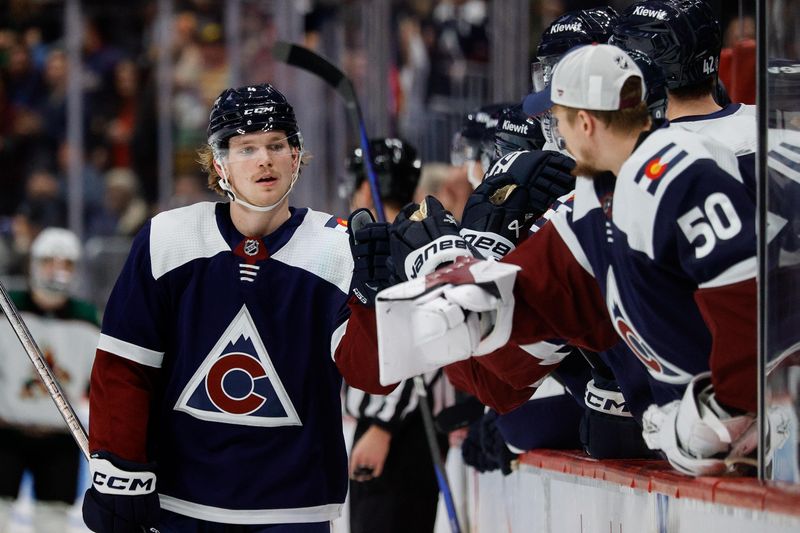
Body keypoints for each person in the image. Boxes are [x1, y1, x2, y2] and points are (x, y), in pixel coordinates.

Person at [376, 44, 761, 477]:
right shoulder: (595, 199)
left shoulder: (680, 169)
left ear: (585, 122)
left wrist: (731, 403)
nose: (552, 132)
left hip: (761, 433)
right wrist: (447, 269)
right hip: (716, 441)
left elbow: (747, 291)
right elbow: (531, 295)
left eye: (556, 119)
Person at [81, 82, 393, 533]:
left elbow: (371, 376)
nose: (264, 159)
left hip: (293, 509)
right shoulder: (169, 238)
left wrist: (374, 300)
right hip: (179, 503)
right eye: (246, 148)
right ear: (219, 164)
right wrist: (120, 470)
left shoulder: (340, 249)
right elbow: (126, 366)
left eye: (276, 144)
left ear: (296, 156)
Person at [343, 137, 451, 533]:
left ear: (366, 187)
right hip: (397, 428)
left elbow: (420, 342)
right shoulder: (415, 238)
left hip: (397, 432)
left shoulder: (394, 246)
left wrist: (382, 427)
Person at [0, 227, 99, 532]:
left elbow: (97, 384)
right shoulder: (6, 310)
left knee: (54, 521)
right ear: (34, 263)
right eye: (50, 261)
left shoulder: (88, 319)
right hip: (6, 432)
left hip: (60, 436)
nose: (58, 270)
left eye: (66, 263)